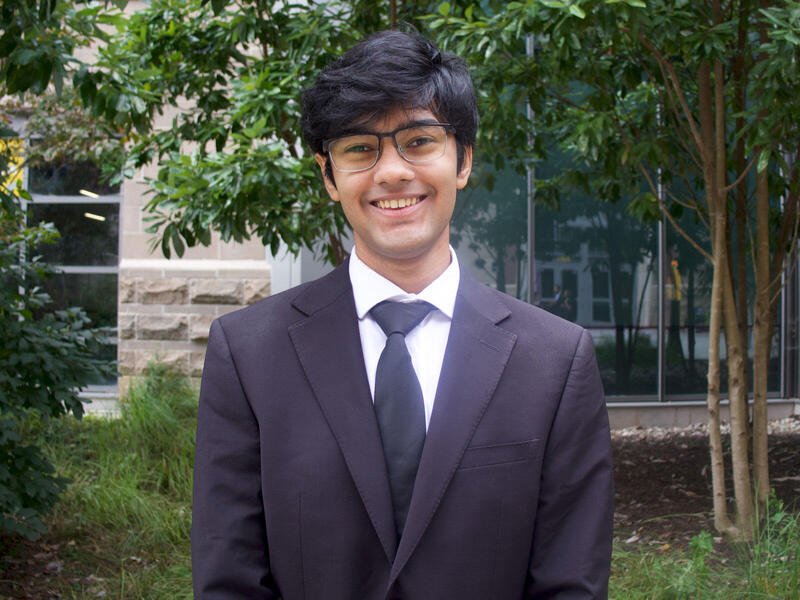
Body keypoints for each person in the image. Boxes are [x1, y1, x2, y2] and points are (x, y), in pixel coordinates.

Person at [191, 29, 613, 600]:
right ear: (328, 175)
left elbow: (571, 584)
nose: (391, 171)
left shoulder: (554, 361)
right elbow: (229, 580)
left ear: (463, 160)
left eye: (418, 141)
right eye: (360, 148)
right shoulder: (248, 353)